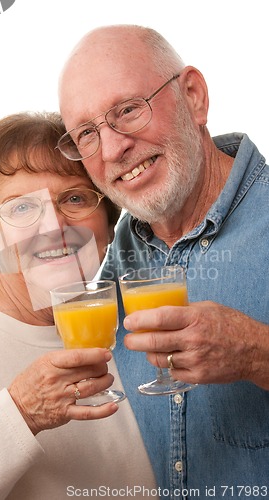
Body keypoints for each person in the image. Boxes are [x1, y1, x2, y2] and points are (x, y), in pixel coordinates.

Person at [58, 24, 269, 498]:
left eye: (128, 110)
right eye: (86, 133)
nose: (113, 150)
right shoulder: (111, 253)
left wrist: (259, 351)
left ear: (194, 96)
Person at [0, 111, 158, 498]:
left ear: (109, 223)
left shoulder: (140, 317)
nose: (53, 227)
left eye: (74, 198)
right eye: (22, 208)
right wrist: (21, 410)